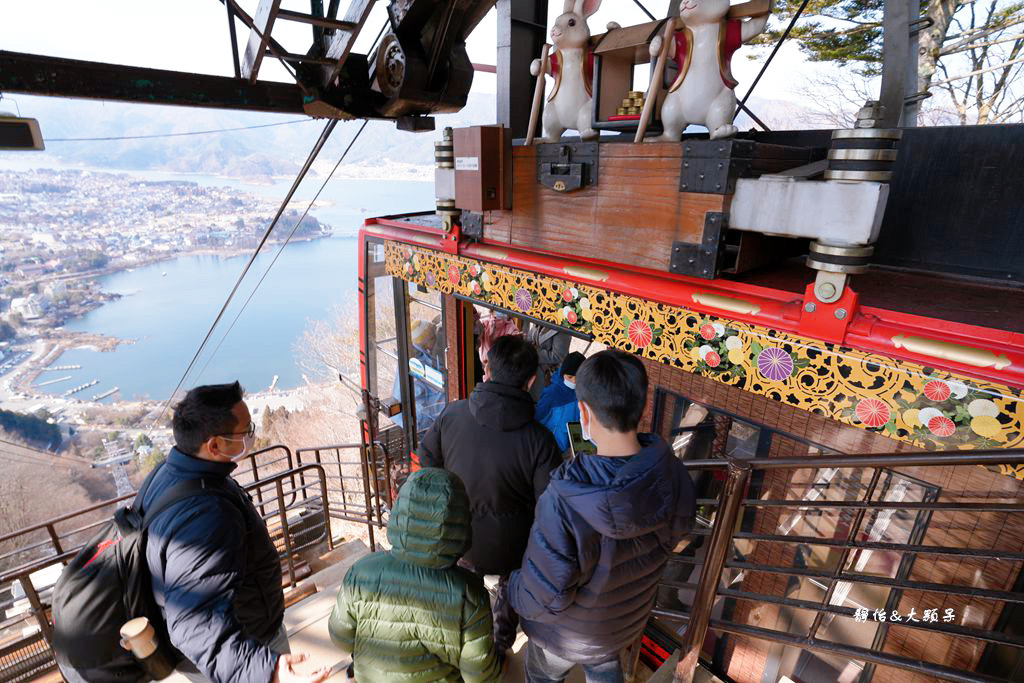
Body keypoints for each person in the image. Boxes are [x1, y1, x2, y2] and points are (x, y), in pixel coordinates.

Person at [508, 351, 696, 683]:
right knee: (605, 666)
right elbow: (679, 537)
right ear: (642, 408)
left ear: (583, 412)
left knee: (542, 677)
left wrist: (512, 589)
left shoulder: (565, 497)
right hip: (622, 624)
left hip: (565, 636)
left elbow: (543, 595)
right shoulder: (672, 474)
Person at [142, 382, 329, 683]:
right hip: (247, 647)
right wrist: (268, 670)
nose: (252, 436)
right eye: (246, 431)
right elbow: (193, 622)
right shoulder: (205, 515)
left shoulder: (170, 473)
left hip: (240, 636)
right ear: (214, 445)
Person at [417, 334, 563, 656]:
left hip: (458, 536)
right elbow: (549, 505)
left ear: (487, 370)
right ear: (531, 380)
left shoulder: (452, 415)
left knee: (464, 583)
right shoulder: (540, 441)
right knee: (511, 583)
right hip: (511, 546)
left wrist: (449, 498)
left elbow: (426, 458)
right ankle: (500, 641)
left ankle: (460, 637)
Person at [328, 468, 502, 682]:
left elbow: (341, 638)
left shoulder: (361, 573)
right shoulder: (471, 596)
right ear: (460, 522)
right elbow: (479, 676)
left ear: (401, 512)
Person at [534, 351, 586, 452]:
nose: (574, 381)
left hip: (572, 447)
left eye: (578, 377)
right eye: (570, 377)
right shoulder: (551, 394)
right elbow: (537, 419)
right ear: (563, 374)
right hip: (550, 448)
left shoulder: (584, 392)